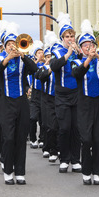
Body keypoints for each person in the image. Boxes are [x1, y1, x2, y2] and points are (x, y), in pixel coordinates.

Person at [0, 22, 38, 185]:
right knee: (8, 137)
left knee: (20, 137)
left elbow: (35, 70)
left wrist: (23, 55)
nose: (12, 47)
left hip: (21, 101)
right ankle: (8, 170)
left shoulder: (23, 60)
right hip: (5, 102)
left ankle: (20, 172)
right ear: (4, 46)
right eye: (9, 44)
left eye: (14, 44)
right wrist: (8, 58)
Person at [71, 20, 99, 185]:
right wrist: (88, 59)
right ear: (81, 48)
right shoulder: (77, 62)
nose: (88, 48)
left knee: (98, 139)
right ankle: (86, 171)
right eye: (85, 45)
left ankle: (97, 173)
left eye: (91, 45)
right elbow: (77, 74)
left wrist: (98, 57)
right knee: (87, 139)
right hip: (84, 105)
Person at [50, 12, 82, 174]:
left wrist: (80, 54)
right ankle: (64, 159)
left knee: (76, 127)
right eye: (67, 36)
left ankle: (76, 159)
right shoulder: (56, 50)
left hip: (77, 94)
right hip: (62, 95)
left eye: (72, 36)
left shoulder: (79, 50)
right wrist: (68, 53)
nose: (70, 38)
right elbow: (54, 66)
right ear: (62, 38)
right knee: (64, 128)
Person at [35, 30, 59, 163]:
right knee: (49, 126)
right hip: (46, 98)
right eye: (48, 56)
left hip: (60, 97)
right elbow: (39, 76)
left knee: (61, 125)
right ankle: (50, 148)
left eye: (52, 56)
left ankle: (58, 148)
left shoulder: (59, 66)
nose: (50, 58)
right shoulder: (43, 67)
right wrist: (47, 66)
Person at [28, 40, 45, 149]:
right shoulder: (33, 64)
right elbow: (30, 71)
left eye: (41, 52)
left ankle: (42, 138)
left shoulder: (46, 64)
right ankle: (33, 138)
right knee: (33, 117)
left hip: (44, 93)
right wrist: (37, 60)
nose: (41, 54)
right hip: (35, 93)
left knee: (43, 119)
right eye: (38, 52)